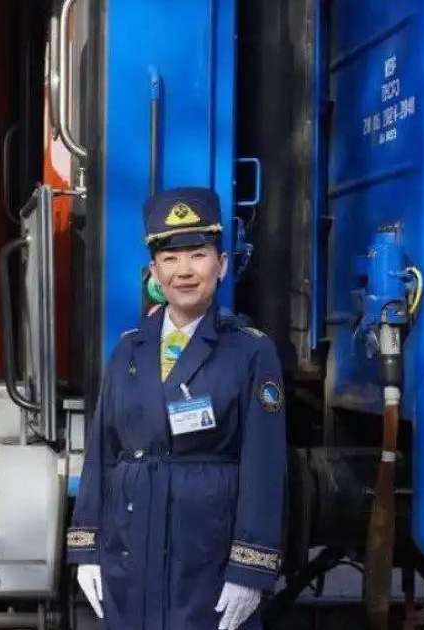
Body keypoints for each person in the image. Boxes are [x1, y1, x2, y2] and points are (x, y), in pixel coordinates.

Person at [66, 187, 287, 629]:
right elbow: (102, 454)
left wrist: (250, 569)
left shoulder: (250, 352)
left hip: (206, 557)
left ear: (221, 265)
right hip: (132, 549)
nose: (184, 271)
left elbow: (264, 467)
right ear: (154, 272)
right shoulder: (128, 350)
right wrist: (87, 548)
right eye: (169, 258)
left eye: (198, 255)